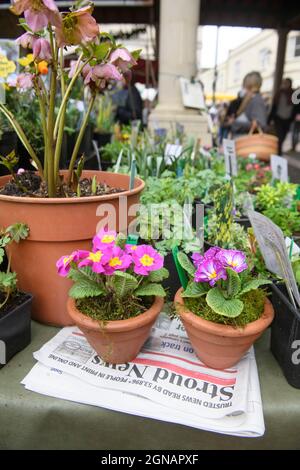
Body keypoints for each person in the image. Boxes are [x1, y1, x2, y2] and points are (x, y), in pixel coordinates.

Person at [230, 71, 267, 137]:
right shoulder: (251, 99)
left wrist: (235, 124)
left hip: (247, 142)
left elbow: (259, 124)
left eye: (244, 85)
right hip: (242, 140)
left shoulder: (256, 100)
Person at [268, 78, 295, 154]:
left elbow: (296, 107)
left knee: (283, 137)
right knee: (279, 137)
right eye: (284, 83)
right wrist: (269, 120)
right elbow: (274, 107)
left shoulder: (293, 94)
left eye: (287, 83)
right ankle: (278, 152)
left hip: (288, 119)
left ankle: (277, 151)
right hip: (278, 118)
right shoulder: (279, 93)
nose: (285, 84)